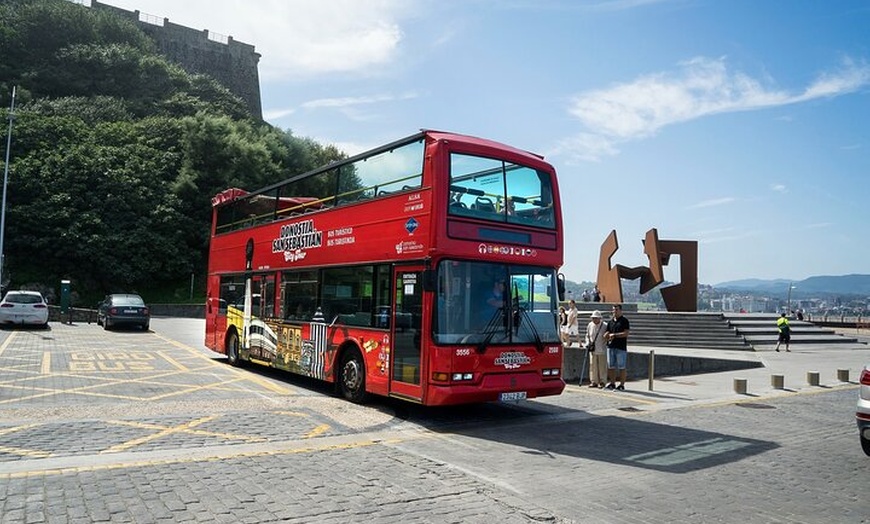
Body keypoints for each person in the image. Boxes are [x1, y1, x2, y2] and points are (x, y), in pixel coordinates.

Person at [604, 304, 630, 391]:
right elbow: (607, 332)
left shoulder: (624, 321)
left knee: (621, 366)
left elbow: (626, 333)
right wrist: (606, 335)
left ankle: (622, 385)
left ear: (621, 311)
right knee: (611, 366)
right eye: (613, 310)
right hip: (611, 346)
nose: (615, 311)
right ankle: (612, 383)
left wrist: (614, 335)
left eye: (616, 310)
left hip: (620, 347)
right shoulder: (610, 322)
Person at [584, 310, 607, 388]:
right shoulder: (590, 325)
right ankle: (594, 381)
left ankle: (602, 381)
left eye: (596, 318)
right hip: (593, 349)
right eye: (593, 318)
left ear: (600, 318)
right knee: (593, 366)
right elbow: (587, 335)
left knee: (602, 366)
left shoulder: (605, 326)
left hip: (602, 348)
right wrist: (587, 343)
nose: (594, 320)